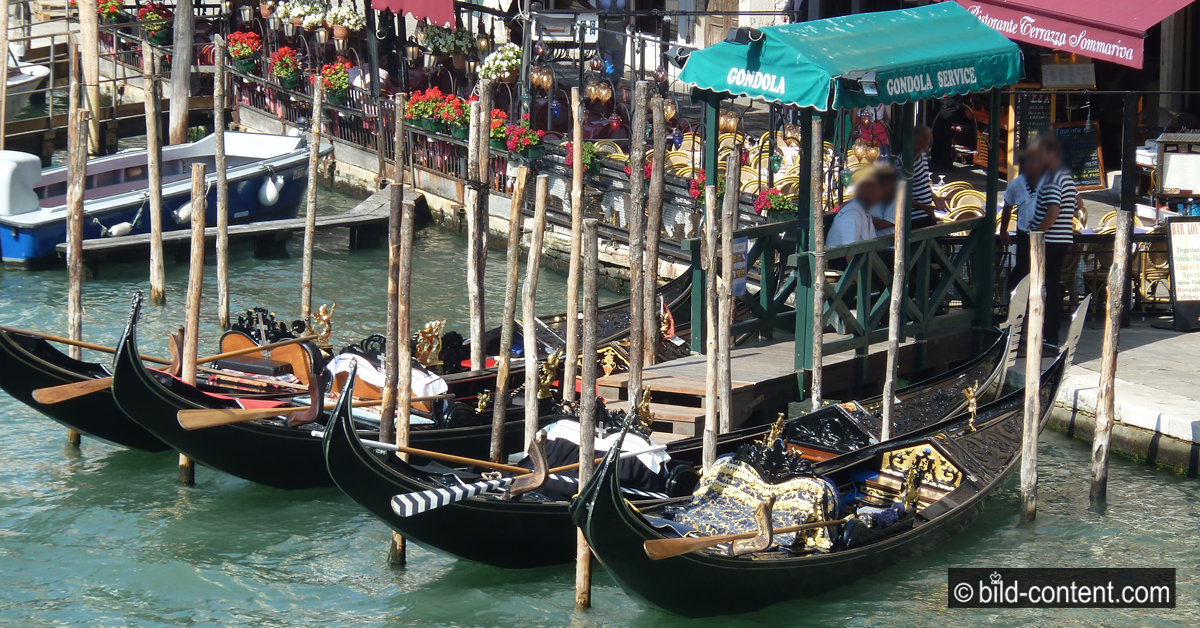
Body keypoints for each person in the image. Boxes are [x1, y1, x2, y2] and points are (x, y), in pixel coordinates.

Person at [1030, 136, 1077, 347]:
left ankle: (1044, 332)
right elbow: (1075, 206)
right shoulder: (1066, 177)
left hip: (1049, 240)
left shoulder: (1051, 178)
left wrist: (1037, 232)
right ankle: (1049, 333)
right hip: (1063, 237)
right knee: (1052, 285)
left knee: (1040, 284)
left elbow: (1053, 211)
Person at [1000, 147, 1046, 294]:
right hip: (1025, 235)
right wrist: (1003, 230)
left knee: (1041, 274)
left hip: (1047, 235)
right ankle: (1015, 307)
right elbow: (1007, 208)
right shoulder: (1016, 184)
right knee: (1022, 273)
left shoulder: (1050, 181)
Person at [827, 175, 881, 269]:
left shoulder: (865, 212)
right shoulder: (852, 213)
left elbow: (876, 246)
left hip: (863, 258)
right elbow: (849, 251)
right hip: (843, 264)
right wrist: (858, 281)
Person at [910, 125, 937, 229]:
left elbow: (924, 183)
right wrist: (925, 207)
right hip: (914, 218)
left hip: (927, 213)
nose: (928, 150)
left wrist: (934, 197)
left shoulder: (924, 156)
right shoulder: (905, 162)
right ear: (917, 142)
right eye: (927, 145)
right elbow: (901, 196)